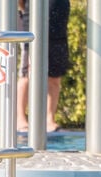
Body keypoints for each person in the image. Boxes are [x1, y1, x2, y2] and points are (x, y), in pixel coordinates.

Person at [16, 0, 71, 133]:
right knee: (27, 74)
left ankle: (49, 119)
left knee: (54, 77)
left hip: (58, 27)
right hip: (33, 26)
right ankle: (20, 118)